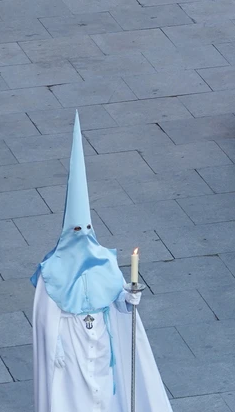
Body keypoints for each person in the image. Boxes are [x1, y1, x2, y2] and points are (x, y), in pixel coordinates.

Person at [32, 116, 167, 411]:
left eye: (86, 230)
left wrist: (128, 297)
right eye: (76, 231)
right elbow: (45, 319)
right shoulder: (51, 272)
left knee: (105, 396)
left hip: (102, 346)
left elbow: (117, 302)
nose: (83, 237)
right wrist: (56, 345)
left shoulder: (104, 261)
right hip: (71, 350)